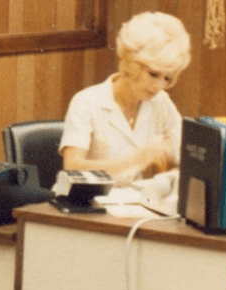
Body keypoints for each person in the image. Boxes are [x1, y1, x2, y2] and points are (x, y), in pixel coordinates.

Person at [59, 11, 192, 184]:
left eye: (167, 78)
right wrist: (139, 159)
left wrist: (173, 173)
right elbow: (72, 168)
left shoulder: (161, 101)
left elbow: (183, 159)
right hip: (91, 205)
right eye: (153, 74)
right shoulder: (86, 102)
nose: (159, 86)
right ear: (131, 62)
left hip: (140, 204)